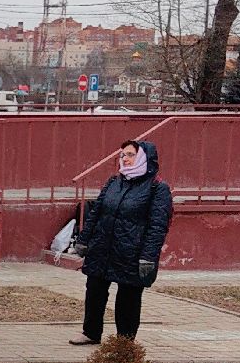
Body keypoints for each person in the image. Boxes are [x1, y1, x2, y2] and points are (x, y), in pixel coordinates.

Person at [71, 140, 173, 346]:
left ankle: (124, 343)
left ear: (144, 157)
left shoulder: (157, 189)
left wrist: (148, 257)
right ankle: (91, 332)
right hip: (102, 248)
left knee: (128, 297)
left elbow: (157, 226)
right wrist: (83, 240)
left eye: (129, 154)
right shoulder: (114, 182)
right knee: (94, 290)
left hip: (132, 253)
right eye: (122, 155)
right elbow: (96, 212)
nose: (124, 159)